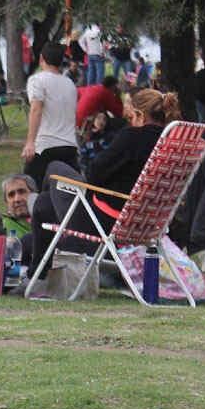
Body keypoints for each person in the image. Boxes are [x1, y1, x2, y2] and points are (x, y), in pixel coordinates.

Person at [27, 89, 182, 296]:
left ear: (140, 116)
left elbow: (93, 174)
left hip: (104, 223)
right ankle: (37, 278)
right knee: (43, 205)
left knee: (55, 168)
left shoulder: (133, 137)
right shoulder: (173, 145)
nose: (129, 122)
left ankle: (37, 276)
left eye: (130, 117)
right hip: (145, 225)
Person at [21, 43, 78, 187]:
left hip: (46, 146)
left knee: (31, 189)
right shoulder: (70, 84)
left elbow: (36, 109)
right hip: (69, 145)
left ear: (41, 58)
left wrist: (30, 142)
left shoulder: (37, 80)